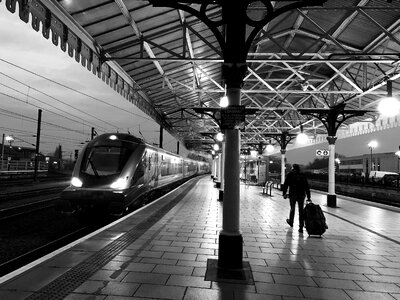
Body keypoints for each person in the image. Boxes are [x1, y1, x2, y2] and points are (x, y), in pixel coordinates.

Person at [282, 164, 311, 233]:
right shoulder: (303, 175)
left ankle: (291, 222)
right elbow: (307, 186)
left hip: (293, 194)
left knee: (292, 209)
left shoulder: (290, 175)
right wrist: (309, 196)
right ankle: (301, 226)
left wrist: (284, 193)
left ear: (293, 168)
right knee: (301, 211)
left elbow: (286, 184)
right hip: (301, 195)